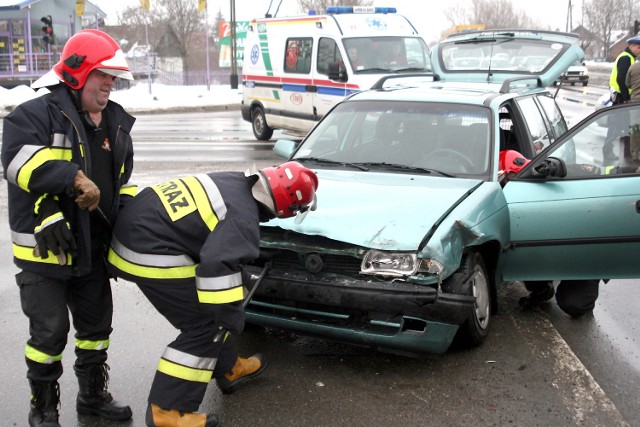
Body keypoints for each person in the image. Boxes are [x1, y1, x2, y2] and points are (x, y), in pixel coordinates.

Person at [107, 161, 318, 427]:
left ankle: (229, 368)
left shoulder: (234, 182)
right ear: (288, 207)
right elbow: (216, 271)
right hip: (144, 250)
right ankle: (167, 411)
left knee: (218, 306)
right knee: (207, 325)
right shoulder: (243, 219)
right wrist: (231, 317)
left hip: (137, 234)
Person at [1, 29, 137, 427]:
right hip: (47, 250)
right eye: (103, 74)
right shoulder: (35, 115)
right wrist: (72, 180)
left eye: (114, 76)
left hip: (93, 248)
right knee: (49, 335)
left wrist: (129, 226)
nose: (110, 83)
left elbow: (123, 184)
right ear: (77, 74)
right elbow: (17, 164)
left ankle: (93, 398)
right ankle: (42, 408)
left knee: (96, 329)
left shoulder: (116, 122)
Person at [604, 34, 640, 162]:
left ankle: (625, 154)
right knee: (616, 126)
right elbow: (622, 79)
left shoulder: (629, 57)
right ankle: (608, 152)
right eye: (637, 47)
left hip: (620, 97)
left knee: (623, 126)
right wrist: (626, 98)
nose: (639, 49)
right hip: (620, 98)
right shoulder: (626, 58)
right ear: (630, 46)